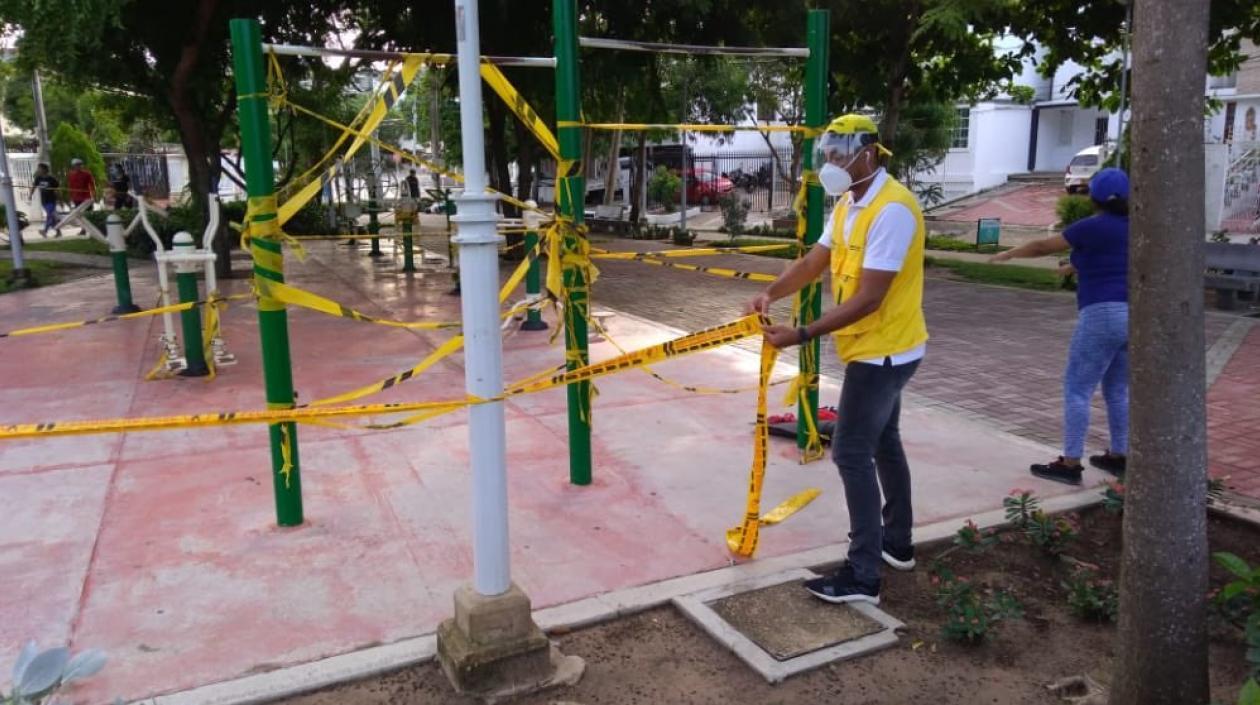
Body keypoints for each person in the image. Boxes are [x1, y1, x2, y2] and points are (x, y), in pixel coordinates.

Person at [746, 114, 928, 605]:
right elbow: (813, 261)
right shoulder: (851, 203)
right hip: (879, 348)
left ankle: (863, 576)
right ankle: (898, 543)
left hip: (884, 352)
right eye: (826, 154)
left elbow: (869, 297)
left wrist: (800, 334)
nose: (830, 163)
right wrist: (770, 293)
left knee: (850, 451)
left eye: (837, 154)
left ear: (867, 153)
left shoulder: (892, 210)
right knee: (884, 442)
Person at [990, 168, 1130, 484]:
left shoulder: (1091, 227)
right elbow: (1110, 259)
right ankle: (1120, 455)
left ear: (1093, 198)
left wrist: (1010, 253)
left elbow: (1042, 247)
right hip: (1132, 315)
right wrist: (1071, 267)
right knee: (1118, 389)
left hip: (1101, 313)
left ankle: (1070, 462)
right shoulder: (1136, 229)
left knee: (1077, 388)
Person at [28, 162, 60, 237]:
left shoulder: (51, 179)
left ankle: (45, 231)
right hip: (44, 200)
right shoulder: (38, 178)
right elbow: (34, 187)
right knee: (51, 216)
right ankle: (58, 231)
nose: (39, 170)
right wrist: (30, 195)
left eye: (40, 168)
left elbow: (57, 189)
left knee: (49, 215)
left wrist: (59, 199)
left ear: (45, 169)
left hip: (51, 200)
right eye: (38, 168)